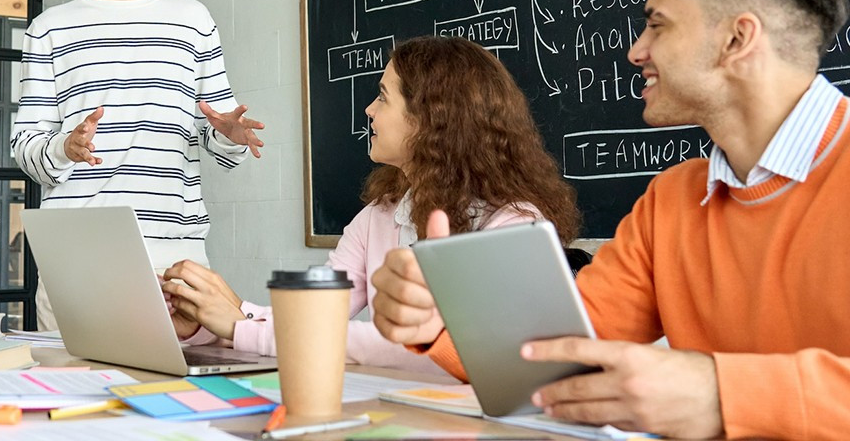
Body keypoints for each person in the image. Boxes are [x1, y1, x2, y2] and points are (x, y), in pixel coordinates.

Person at [370, 0, 850, 439]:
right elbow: (557, 354)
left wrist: (723, 393)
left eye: (658, 25)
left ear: (737, 38)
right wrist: (437, 319)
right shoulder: (672, 200)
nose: (635, 50)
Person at [161, 35, 581, 371]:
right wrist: (207, 322)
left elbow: (424, 346)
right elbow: (316, 318)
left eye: (382, 97)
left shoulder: (514, 225)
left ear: (431, 118)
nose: (368, 110)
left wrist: (238, 325)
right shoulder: (378, 216)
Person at [11, 0, 264, 330]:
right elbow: (25, 148)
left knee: (178, 398)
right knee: (76, 396)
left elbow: (223, 149)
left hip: (176, 253)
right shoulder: (50, 29)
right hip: (81, 251)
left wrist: (227, 133)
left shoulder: (192, 19)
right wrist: (64, 147)